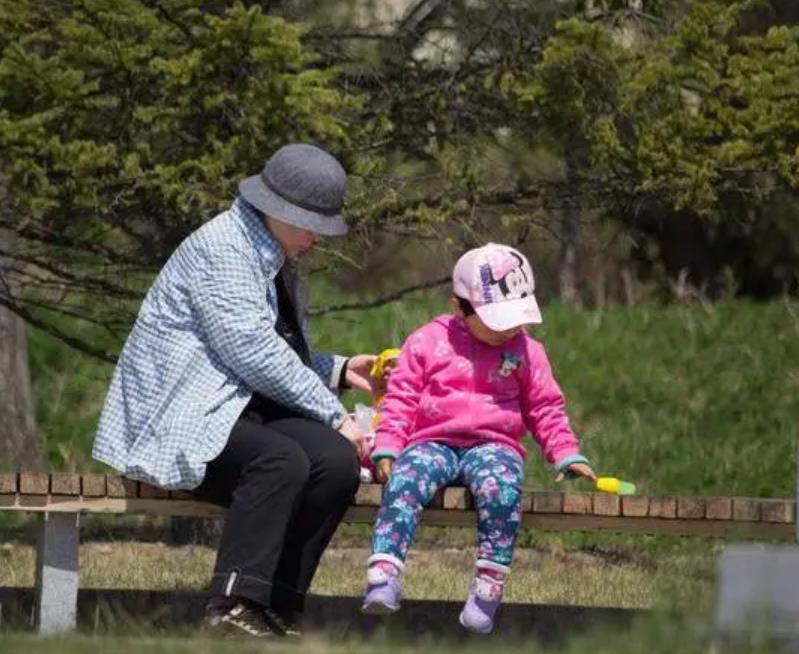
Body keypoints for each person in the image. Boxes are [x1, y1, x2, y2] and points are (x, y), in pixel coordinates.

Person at [93, 143, 375, 638]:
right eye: (309, 223)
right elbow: (251, 352)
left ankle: (277, 610)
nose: (316, 236)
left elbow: (273, 349)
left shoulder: (272, 254)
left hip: (241, 406)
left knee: (335, 463)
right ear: (276, 210)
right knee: (279, 461)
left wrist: (340, 369)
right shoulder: (223, 249)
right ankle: (233, 606)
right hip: (188, 412)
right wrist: (336, 416)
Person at [360, 243, 596, 634]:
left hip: (494, 445)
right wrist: (389, 444)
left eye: (515, 318)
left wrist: (566, 453)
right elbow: (402, 397)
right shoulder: (427, 341)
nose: (508, 328)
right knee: (405, 481)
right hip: (431, 440)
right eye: (496, 319)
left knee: (502, 489)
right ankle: (384, 573)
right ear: (460, 307)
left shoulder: (526, 351)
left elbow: (544, 407)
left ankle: (488, 587)